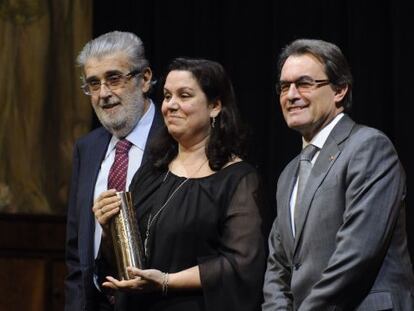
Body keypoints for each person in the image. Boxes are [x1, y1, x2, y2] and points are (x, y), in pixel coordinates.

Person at [93, 57, 267, 311]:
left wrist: (166, 281)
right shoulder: (153, 169)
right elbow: (123, 262)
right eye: (166, 96)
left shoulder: (238, 179)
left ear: (215, 106)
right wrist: (109, 229)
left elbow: (240, 265)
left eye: (184, 96)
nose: (170, 106)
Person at [262, 38, 414, 310]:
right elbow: (278, 266)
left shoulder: (369, 147)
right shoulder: (288, 174)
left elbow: (356, 255)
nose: (291, 95)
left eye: (304, 83)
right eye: (284, 86)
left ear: (340, 90)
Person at [64, 31, 163, 311]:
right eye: (93, 84)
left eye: (114, 78)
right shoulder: (87, 148)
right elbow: (75, 253)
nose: (103, 93)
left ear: (144, 79)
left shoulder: (175, 141)